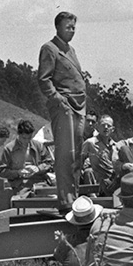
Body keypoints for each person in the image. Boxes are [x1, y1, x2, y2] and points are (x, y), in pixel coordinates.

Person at [37, 11, 87, 210]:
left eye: (74, 27)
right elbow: (44, 79)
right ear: (57, 27)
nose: (72, 31)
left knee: (76, 155)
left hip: (79, 106)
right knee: (66, 154)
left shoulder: (70, 49)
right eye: (68, 27)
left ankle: (74, 198)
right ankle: (66, 201)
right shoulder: (49, 48)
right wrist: (59, 100)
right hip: (65, 107)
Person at [0, 119, 54, 193]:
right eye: (24, 138)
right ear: (18, 134)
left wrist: (38, 168)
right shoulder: (9, 149)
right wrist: (18, 172)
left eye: (29, 138)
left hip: (39, 181)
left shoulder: (38, 146)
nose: (27, 141)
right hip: (19, 184)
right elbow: (2, 171)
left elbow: (49, 163)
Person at [80, 114, 117, 195]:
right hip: (96, 180)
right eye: (103, 125)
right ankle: (93, 198)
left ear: (112, 129)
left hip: (112, 181)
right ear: (98, 127)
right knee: (88, 172)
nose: (106, 127)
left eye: (109, 125)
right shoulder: (90, 143)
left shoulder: (115, 146)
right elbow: (80, 160)